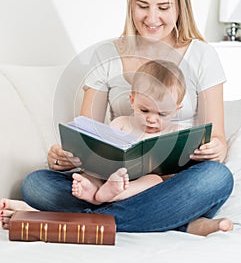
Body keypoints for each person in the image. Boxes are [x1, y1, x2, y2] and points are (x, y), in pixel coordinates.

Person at [0, 0, 234, 236]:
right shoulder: (107, 55)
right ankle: (181, 222)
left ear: (180, 6)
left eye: (163, 7)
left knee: (216, 178)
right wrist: (68, 156)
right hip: (114, 180)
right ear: (130, 5)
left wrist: (215, 148)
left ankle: (65, 223)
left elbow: (217, 139)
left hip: (172, 183)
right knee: (37, 184)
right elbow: (87, 134)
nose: (152, 18)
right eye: (143, 6)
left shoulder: (201, 55)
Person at [71, 59, 186, 204]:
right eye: (144, 110)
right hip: (112, 175)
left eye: (162, 114)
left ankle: (111, 196)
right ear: (132, 100)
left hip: (144, 187)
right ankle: (91, 189)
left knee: (154, 179)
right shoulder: (121, 123)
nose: (151, 119)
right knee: (93, 175)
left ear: (176, 110)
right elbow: (102, 151)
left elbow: (178, 172)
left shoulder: (177, 133)